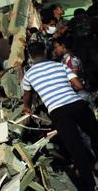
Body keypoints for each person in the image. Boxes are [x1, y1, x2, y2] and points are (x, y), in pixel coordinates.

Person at [22, 42, 98, 190]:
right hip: (77, 104)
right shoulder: (59, 65)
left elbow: (27, 95)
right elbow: (78, 85)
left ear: (31, 56)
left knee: (76, 149)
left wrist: (26, 107)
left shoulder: (29, 74)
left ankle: (90, 186)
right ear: (45, 51)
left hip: (58, 112)